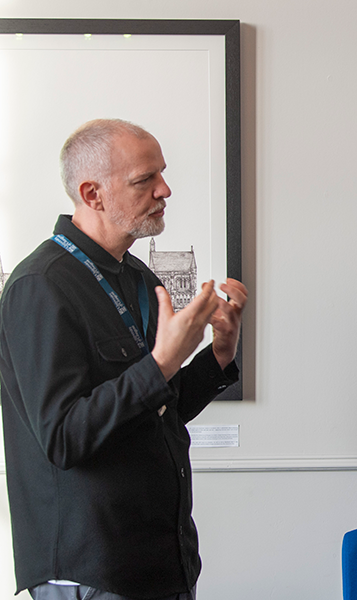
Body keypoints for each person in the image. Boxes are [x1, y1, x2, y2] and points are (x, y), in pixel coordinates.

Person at [0, 119, 248, 600]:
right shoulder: (41, 286)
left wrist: (219, 354)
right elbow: (63, 437)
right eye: (144, 180)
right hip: (93, 569)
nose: (165, 189)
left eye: (162, 173)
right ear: (92, 194)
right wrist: (158, 364)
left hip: (161, 559)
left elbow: (160, 410)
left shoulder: (136, 275)